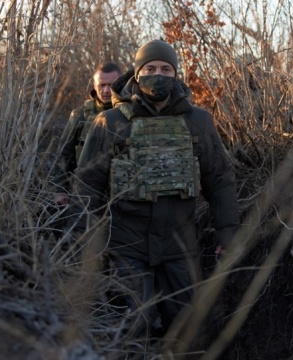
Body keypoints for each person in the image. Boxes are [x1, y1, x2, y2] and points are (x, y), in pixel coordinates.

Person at [73, 39, 239, 338]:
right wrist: (91, 241)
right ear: (137, 74)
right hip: (127, 243)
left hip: (180, 243)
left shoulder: (198, 121)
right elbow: (88, 184)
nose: (158, 74)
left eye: (166, 68)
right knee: (134, 324)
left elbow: (220, 180)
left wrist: (226, 232)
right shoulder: (110, 121)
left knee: (187, 326)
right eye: (150, 68)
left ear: (176, 75)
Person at [53, 61, 122, 204]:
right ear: (94, 86)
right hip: (85, 194)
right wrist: (59, 190)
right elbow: (64, 154)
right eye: (101, 85)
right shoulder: (80, 115)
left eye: (111, 85)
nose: (106, 90)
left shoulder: (131, 114)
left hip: (121, 195)